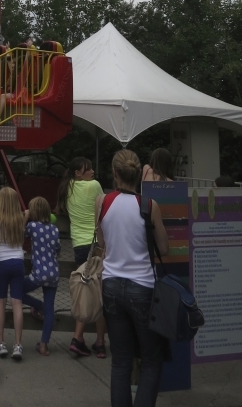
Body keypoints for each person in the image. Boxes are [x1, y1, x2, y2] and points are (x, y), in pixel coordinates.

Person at [97, 149, 169, 407]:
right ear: (140, 174)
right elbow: (163, 249)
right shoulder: (149, 206)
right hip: (143, 287)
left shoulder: (102, 202)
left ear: (115, 173)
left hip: (111, 285)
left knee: (121, 360)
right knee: (150, 360)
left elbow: (102, 242)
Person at [57, 156, 107, 358]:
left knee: (85, 289)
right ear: (78, 173)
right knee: (98, 292)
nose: (93, 172)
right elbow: (104, 207)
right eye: (88, 169)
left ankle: (78, 338)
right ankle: (100, 342)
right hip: (96, 245)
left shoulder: (66, 188)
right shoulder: (94, 186)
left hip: (78, 244)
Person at [21, 196, 59, 356]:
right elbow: (57, 249)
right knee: (50, 309)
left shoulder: (33, 226)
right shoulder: (55, 229)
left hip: (39, 273)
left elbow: (20, 234)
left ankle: (37, 305)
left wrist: (25, 216)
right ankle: (44, 345)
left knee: (17, 290)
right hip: (53, 273)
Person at [0, 186, 25, 361]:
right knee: (17, 304)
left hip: (1, 263)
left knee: (0, 303)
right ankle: (18, 345)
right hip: (18, 262)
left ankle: (0, 342)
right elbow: (28, 212)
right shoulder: (21, 218)